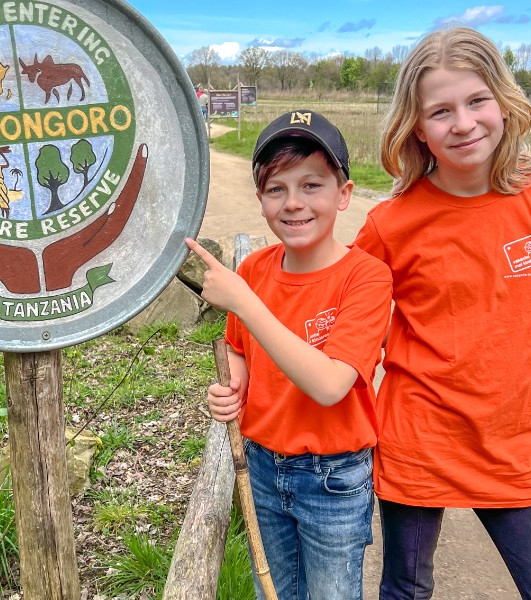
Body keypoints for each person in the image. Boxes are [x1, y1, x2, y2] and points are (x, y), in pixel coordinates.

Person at [351, 27, 531, 600]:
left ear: (504, 101)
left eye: (476, 101)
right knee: (405, 589)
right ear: (416, 126)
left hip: (511, 445)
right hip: (416, 440)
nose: (464, 123)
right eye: (440, 111)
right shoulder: (390, 225)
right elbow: (347, 336)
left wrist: (506, 357)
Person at [186, 110, 393, 599]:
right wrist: (231, 387)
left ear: (343, 195)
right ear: (260, 201)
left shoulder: (365, 277)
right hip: (260, 463)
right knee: (272, 591)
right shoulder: (256, 269)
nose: (293, 203)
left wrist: (243, 301)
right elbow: (240, 346)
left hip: (333, 478)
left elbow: (329, 385)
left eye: (312, 185)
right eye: (276, 188)